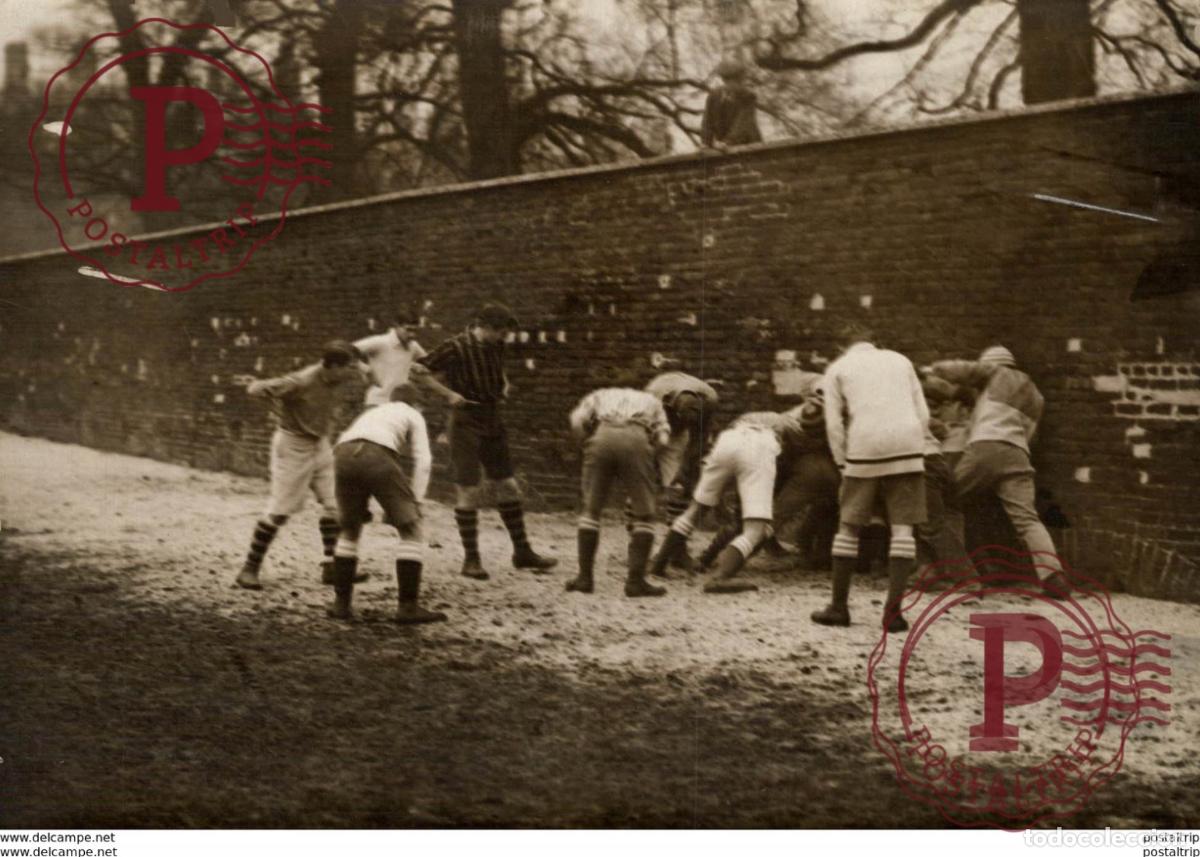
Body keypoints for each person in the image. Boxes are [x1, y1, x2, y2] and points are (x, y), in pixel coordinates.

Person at [412, 302, 557, 580]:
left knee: (509, 485)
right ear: (486, 327)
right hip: (465, 421)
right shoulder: (455, 346)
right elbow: (417, 371)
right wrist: (447, 394)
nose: (504, 339)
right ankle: (471, 560)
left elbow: (498, 368)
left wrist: (502, 382)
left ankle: (523, 552)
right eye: (501, 333)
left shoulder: (496, 346)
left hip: (492, 418)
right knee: (469, 488)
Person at [811, 325, 929, 632]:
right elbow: (923, 413)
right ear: (874, 342)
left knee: (849, 526)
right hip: (908, 443)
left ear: (842, 346)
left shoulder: (837, 368)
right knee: (903, 529)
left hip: (864, 446)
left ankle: (838, 607)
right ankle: (893, 613)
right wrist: (915, 445)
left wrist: (841, 463)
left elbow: (833, 425)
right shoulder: (901, 360)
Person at [930, 346, 1068, 595]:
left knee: (944, 502)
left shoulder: (995, 373)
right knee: (1026, 519)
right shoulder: (1037, 396)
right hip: (1018, 454)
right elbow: (1031, 437)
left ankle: (954, 572)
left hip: (985, 447)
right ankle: (1053, 576)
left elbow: (963, 370)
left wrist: (932, 370)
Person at [235, 341, 364, 590]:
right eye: (349, 367)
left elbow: (363, 368)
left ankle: (331, 568)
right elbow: (255, 389)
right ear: (333, 366)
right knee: (280, 511)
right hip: (293, 446)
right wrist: (279, 407)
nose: (354, 372)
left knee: (336, 505)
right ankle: (249, 569)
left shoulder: (339, 376)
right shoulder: (301, 381)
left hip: (320, 443)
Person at [648, 409, 806, 594]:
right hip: (760, 446)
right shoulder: (793, 425)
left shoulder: (754, 415)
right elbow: (793, 460)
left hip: (728, 439)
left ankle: (658, 565)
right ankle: (720, 578)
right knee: (755, 530)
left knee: (694, 511)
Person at [325, 396, 444, 624]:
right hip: (376, 455)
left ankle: (341, 604)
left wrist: (359, 504)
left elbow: (347, 444)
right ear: (416, 402)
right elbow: (424, 460)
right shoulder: (413, 413)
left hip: (341, 453)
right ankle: (408, 608)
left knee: (349, 529)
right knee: (412, 530)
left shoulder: (374, 413)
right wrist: (416, 502)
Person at [566, 387, 672, 597]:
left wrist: (585, 445)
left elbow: (576, 422)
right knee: (645, 514)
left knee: (591, 510)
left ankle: (584, 578)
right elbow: (663, 439)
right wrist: (649, 455)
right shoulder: (651, 401)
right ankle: (635, 582)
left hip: (602, 436)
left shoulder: (599, 395)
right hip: (636, 438)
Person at [644, 371, 719, 572]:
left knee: (680, 489)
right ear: (671, 406)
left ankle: (678, 550)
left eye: (691, 420)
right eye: (682, 418)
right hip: (651, 430)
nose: (687, 422)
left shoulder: (710, 398)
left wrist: (685, 468)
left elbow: (700, 439)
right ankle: (639, 545)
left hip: (678, 438)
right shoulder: (652, 396)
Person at [354, 309, 427, 407]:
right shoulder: (380, 342)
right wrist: (366, 369)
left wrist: (415, 365)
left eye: (415, 331)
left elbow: (428, 363)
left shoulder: (413, 345)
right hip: (378, 402)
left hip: (402, 403)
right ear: (396, 326)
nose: (412, 335)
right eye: (408, 329)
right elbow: (345, 351)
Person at [700, 59, 763, 149]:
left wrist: (729, 142)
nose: (737, 85)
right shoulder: (714, 96)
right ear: (724, 80)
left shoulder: (748, 96)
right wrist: (705, 142)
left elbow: (742, 123)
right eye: (730, 81)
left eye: (739, 82)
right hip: (724, 146)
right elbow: (707, 121)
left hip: (748, 144)